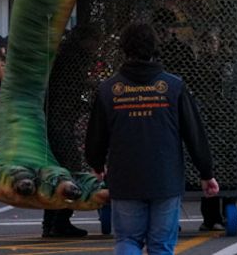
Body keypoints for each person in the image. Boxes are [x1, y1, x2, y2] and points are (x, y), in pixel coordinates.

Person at [85, 23, 218, 255]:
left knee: (127, 239)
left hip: (125, 178)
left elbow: (96, 135)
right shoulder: (174, 87)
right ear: (156, 48)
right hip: (165, 178)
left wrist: (97, 164)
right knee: (161, 245)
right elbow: (194, 134)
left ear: (124, 49)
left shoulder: (109, 90)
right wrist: (206, 173)